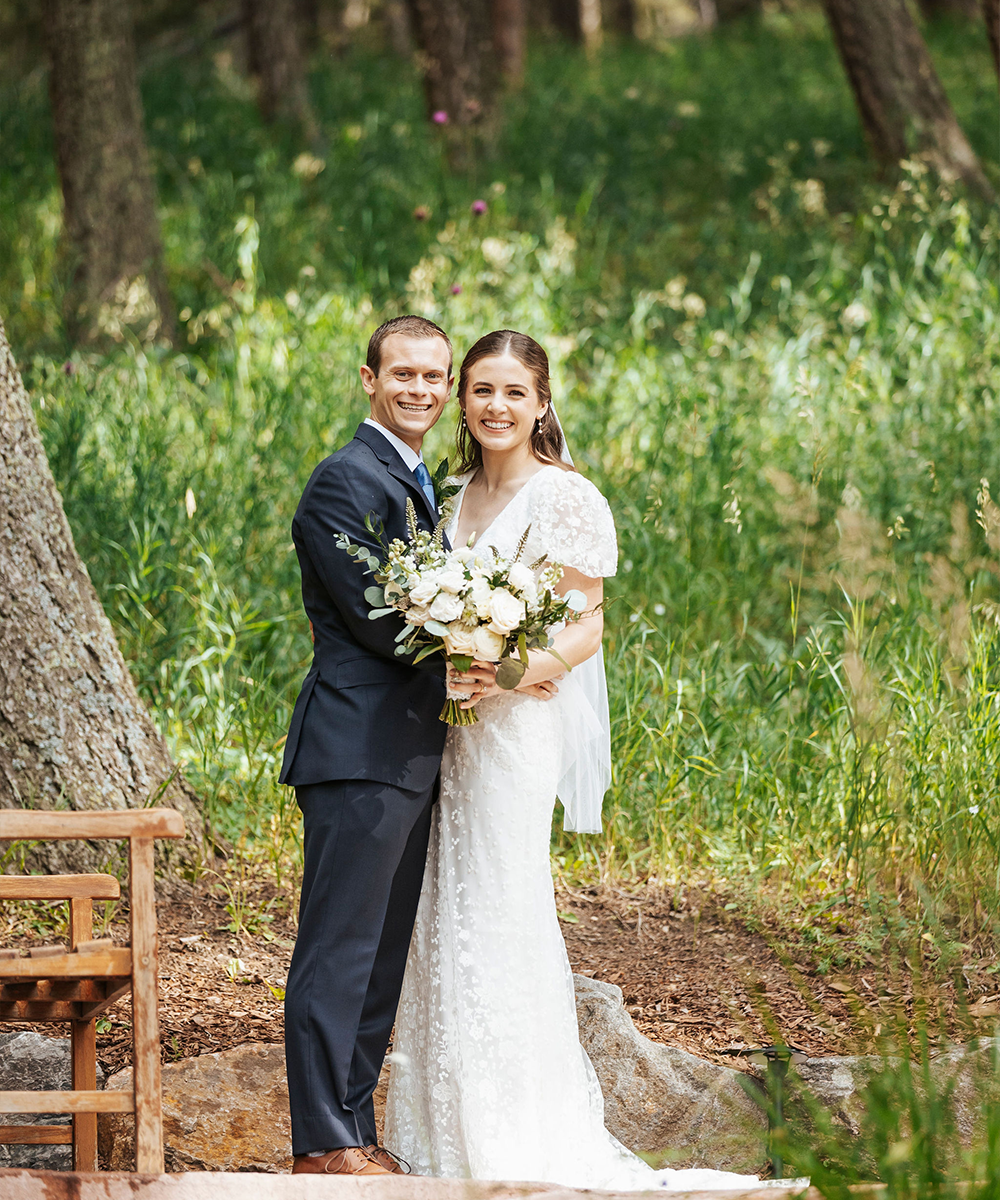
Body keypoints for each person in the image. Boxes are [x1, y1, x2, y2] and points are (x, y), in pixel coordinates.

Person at [383, 330, 774, 1191]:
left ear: (542, 403)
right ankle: (439, 1132)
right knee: (442, 912)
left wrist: (515, 670)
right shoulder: (450, 498)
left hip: (515, 731)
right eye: (481, 390)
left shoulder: (565, 497)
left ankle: (513, 1134)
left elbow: (588, 622)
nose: (495, 407)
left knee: (500, 905)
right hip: (451, 730)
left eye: (514, 393)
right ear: (462, 399)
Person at [278, 315, 499, 1176]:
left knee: (379, 956)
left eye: (433, 377)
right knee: (339, 949)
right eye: (401, 373)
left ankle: (352, 1129)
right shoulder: (344, 481)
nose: (419, 389)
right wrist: (483, 647)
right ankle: (321, 1141)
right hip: (357, 747)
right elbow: (382, 615)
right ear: (368, 380)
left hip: (406, 754)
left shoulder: (417, 481)